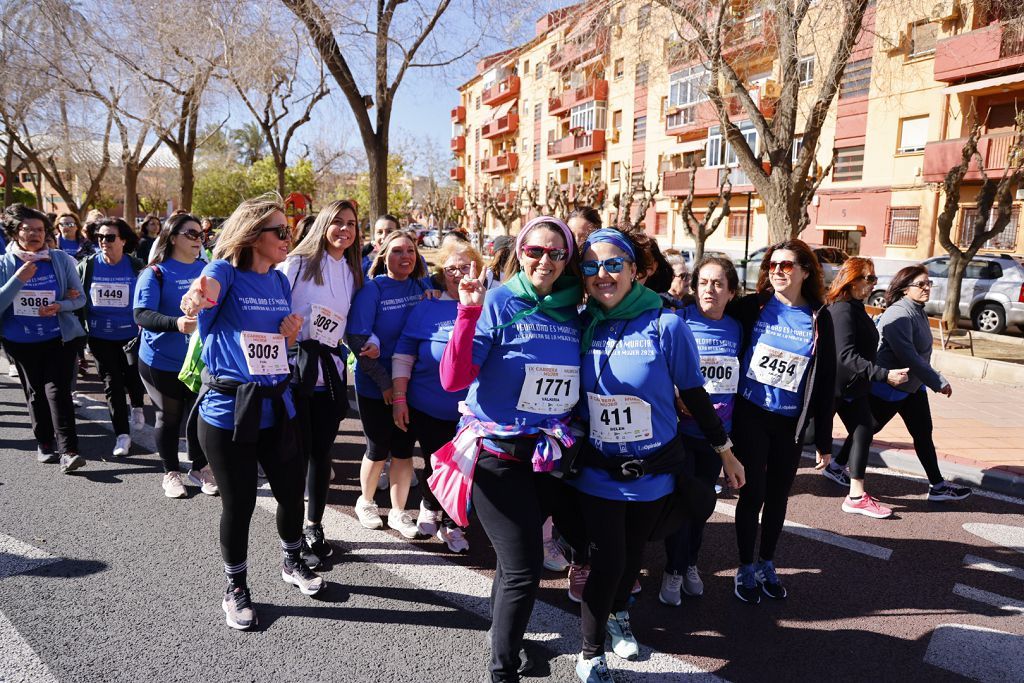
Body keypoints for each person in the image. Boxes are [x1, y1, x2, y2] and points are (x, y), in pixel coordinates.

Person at [570, 230, 744, 682]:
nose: (602, 274)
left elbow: (694, 393)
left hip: (653, 472)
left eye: (612, 265)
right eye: (590, 267)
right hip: (598, 472)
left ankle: (619, 615)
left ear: (634, 270)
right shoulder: (579, 324)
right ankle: (590, 653)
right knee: (607, 561)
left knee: (630, 559)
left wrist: (725, 451)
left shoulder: (666, 325)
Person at [440, 216, 582, 682]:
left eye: (556, 253)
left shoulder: (571, 310)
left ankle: (508, 641)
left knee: (513, 562)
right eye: (535, 251)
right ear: (518, 253)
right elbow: (453, 379)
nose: (545, 260)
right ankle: (502, 672)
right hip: (497, 456)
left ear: (568, 259)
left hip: (546, 458)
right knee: (524, 569)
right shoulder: (496, 300)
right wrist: (467, 313)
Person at [181, 194, 323, 631]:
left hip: (277, 406)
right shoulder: (223, 271)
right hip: (228, 413)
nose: (288, 237)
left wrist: (290, 334)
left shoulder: (280, 282)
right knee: (239, 505)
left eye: (290, 230)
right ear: (252, 235)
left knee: (290, 493)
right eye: (280, 231)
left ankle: (291, 560)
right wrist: (194, 300)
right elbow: (203, 294)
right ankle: (236, 588)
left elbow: (281, 346)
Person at [730, 239, 836, 603]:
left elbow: (826, 380)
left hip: (789, 421)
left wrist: (824, 440)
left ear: (806, 271)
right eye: (772, 265)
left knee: (778, 496)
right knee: (753, 492)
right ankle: (745, 566)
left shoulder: (819, 317)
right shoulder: (752, 306)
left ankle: (766, 562)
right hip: (751, 413)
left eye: (787, 265)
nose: (777, 271)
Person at [835, 265, 971, 503]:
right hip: (889, 387)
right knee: (866, 430)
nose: (927, 288)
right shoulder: (899, 314)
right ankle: (837, 466)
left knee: (922, 434)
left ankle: (937, 486)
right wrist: (938, 380)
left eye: (929, 283)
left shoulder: (917, 310)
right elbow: (909, 355)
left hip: (912, 386)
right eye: (921, 284)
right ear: (905, 288)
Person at [280, 200, 363, 568]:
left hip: (329, 373)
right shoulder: (297, 264)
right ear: (324, 225)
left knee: (321, 452)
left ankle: (314, 525)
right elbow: (273, 307)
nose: (344, 229)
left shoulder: (353, 272)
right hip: (294, 369)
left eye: (351, 224)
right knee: (293, 456)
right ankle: (293, 535)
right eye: (337, 222)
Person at [661, 256, 743, 605]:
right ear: (693, 288)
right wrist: (675, 393)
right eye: (704, 283)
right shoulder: (678, 321)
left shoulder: (738, 329)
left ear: (731, 292)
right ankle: (673, 570)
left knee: (703, 506)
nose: (710, 290)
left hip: (716, 436)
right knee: (680, 505)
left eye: (718, 284)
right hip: (679, 433)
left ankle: (691, 563)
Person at [391, 240, 483, 553]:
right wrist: (400, 397)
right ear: (442, 273)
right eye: (451, 268)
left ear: (478, 269)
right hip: (427, 404)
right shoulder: (427, 306)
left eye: (465, 267)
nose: (458, 274)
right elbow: (404, 352)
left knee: (466, 468)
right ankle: (432, 505)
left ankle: (451, 522)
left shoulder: (490, 304)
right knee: (438, 462)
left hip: (471, 412)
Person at [346, 230, 431, 538]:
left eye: (410, 250)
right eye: (397, 251)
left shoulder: (424, 286)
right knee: (378, 447)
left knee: (405, 449)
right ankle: (366, 501)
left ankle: (398, 511)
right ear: (383, 255)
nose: (405, 256)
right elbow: (356, 339)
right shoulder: (373, 290)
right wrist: (385, 385)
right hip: (376, 385)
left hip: (410, 387)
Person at [134, 212, 216, 498]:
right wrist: (176, 324)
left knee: (199, 416)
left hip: (198, 362)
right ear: (172, 238)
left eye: (200, 234)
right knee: (169, 417)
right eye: (191, 234)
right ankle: (171, 472)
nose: (198, 239)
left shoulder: (209, 270)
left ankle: (200, 467)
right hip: (160, 360)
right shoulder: (155, 272)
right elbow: (141, 315)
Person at [0, 204, 87, 472]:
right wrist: (18, 278)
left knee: (58, 390)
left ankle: (69, 450)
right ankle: (44, 443)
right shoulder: (5, 264)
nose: (36, 235)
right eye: (28, 229)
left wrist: (60, 305)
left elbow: (80, 297)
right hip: (20, 340)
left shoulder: (59, 259)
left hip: (58, 337)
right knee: (35, 392)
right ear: (15, 232)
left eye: (40, 230)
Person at [822, 258, 908, 518]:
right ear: (852, 279)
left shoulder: (856, 307)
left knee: (863, 431)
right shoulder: (842, 310)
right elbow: (844, 356)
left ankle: (856, 496)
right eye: (868, 278)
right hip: (834, 389)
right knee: (803, 438)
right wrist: (883, 375)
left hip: (853, 389)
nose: (874, 284)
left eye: (874, 279)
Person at [77, 218, 147, 457]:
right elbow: (76, 295)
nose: (103, 242)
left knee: (133, 376)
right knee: (111, 383)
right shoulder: (88, 266)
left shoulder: (136, 266)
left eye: (110, 237)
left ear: (123, 240)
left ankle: (137, 404)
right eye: (100, 237)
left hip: (131, 335)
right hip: (99, 335)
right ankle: (122, 435)